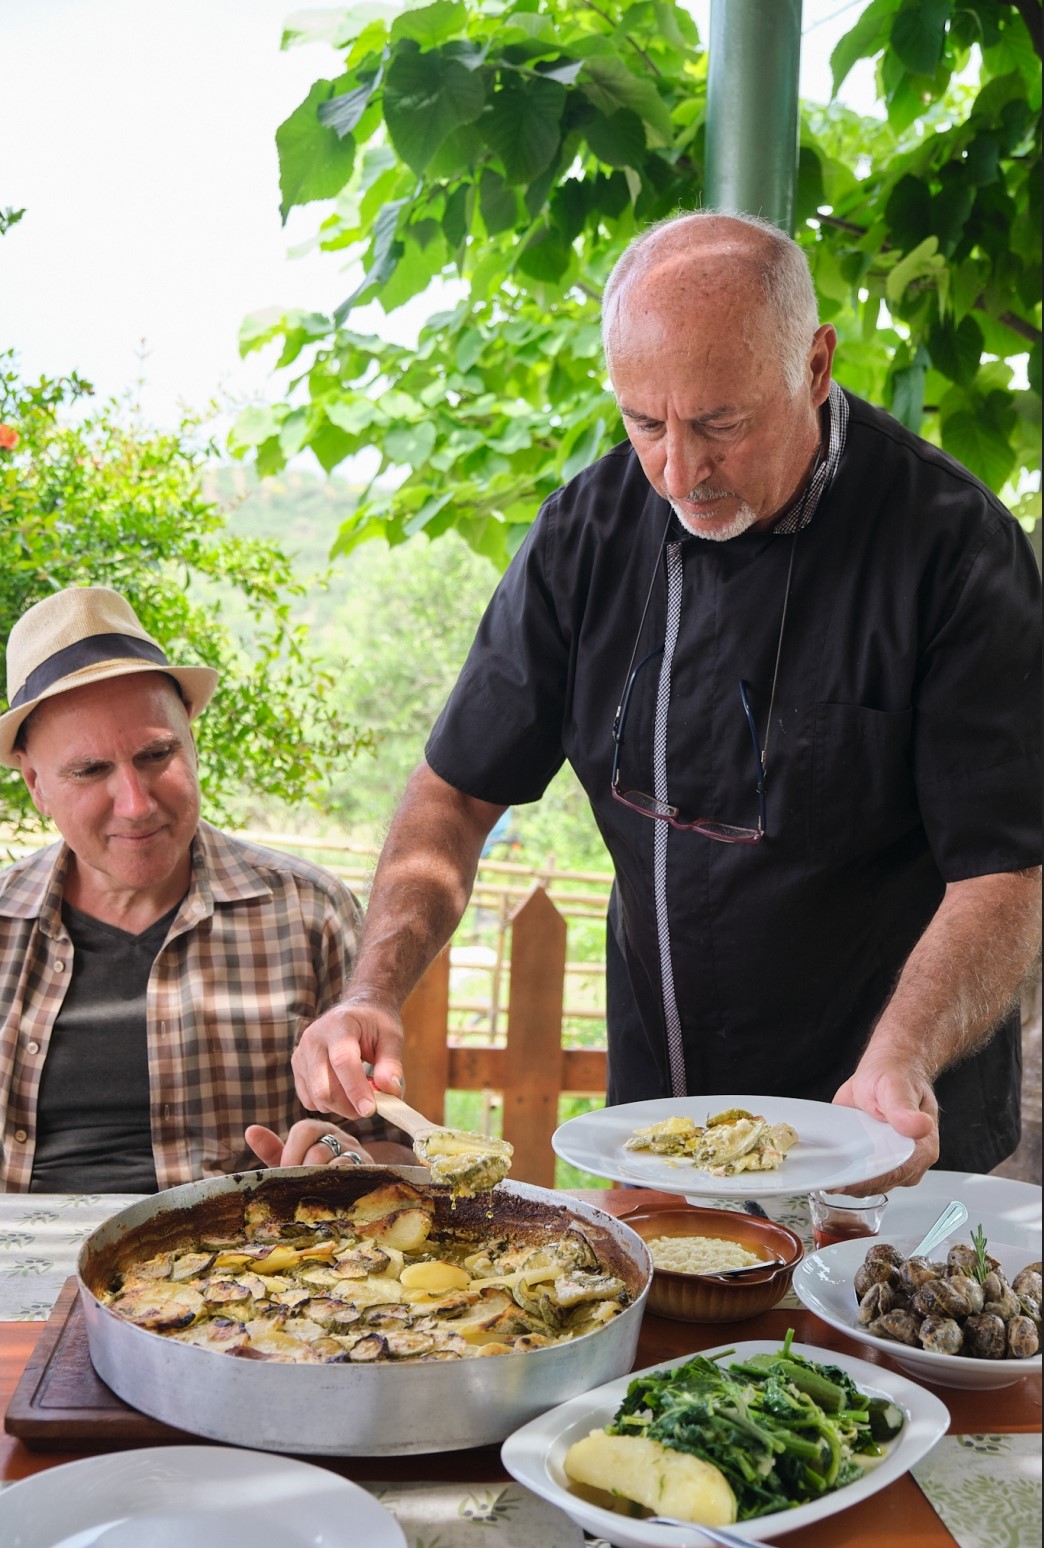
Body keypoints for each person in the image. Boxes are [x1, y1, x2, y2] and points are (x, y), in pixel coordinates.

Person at [290, 211, 1041, 1190]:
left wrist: (899, 1060)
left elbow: (1005, 875)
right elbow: (455, 798)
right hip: (664, 1129)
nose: (680, 472)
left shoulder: (953, 548)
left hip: (892, 1131)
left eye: (721, 424)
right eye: (646, 423)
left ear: (816, 368)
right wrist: (373, 991)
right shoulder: (585, 534)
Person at [0, 585, 413, 1192]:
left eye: (156, 753)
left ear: (190, 741)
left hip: (238, 1271)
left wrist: (347, 1163)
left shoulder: (310, 913)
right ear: (36, 785)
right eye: (90, 770)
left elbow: (397, 1149)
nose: (137, 804)